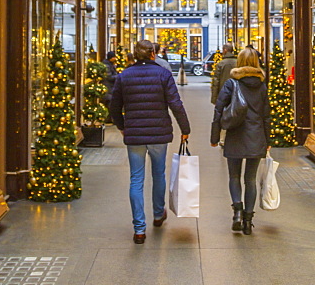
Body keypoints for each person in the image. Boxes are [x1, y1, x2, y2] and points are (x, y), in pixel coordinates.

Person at [110, 39, 191, 243]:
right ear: (153, 54)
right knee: (158, 174)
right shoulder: (163, 74)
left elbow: (114, 106)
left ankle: (139, 229)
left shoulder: (124, 76)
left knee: (136, 179)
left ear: (135, 55)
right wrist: (185, 128)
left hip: (135, 134)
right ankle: (157, 214)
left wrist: (122, 126)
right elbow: (175, 103)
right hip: (158, 133)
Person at [210, 46, 270, 235]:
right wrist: (268, 139)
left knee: (234, 176)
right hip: (256, 135)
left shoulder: (231, 84)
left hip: (235, 134)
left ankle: (237, 211)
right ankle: (248, 220)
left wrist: (214, 136)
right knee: (250, 179)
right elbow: (266, 114)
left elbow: (219, 109)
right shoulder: (261, 85)